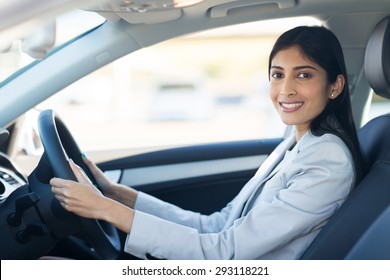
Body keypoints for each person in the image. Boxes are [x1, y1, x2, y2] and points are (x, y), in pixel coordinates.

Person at [50, 26, 365, 260]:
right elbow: (218, 224)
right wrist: (119, 195)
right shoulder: (296, 143)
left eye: (304, 75)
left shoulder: (327, 161)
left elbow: (225, 253)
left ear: (335, 85)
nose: (286, 89)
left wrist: (105, 210)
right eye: (277, 74)